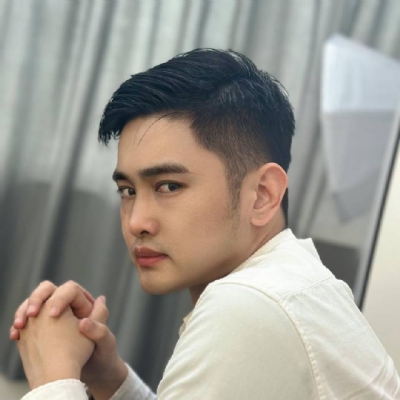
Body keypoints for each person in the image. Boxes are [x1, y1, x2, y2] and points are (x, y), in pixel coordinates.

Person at [10, 49, 400, 400]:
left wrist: (53, 378)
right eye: (127, 191)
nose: (137, 222)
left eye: (168, 186)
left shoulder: (248, 306)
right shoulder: (291, 279)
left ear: (262, 194)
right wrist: (110, 378)